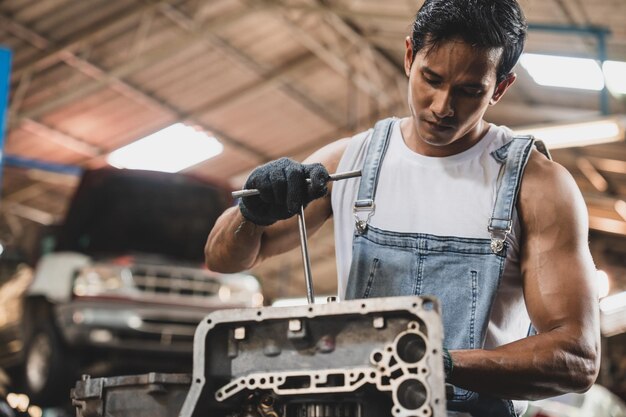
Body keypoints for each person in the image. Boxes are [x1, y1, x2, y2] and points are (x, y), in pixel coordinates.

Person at [205, 0, 601, 415]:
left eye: (470, 90)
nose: (442, 106)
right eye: (431, 78)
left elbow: (576, 356)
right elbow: (223, 258)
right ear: (410, 56)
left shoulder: (537, 186)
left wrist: (433, 362)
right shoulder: (350, 162)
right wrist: (251, 214)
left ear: (500, 88)